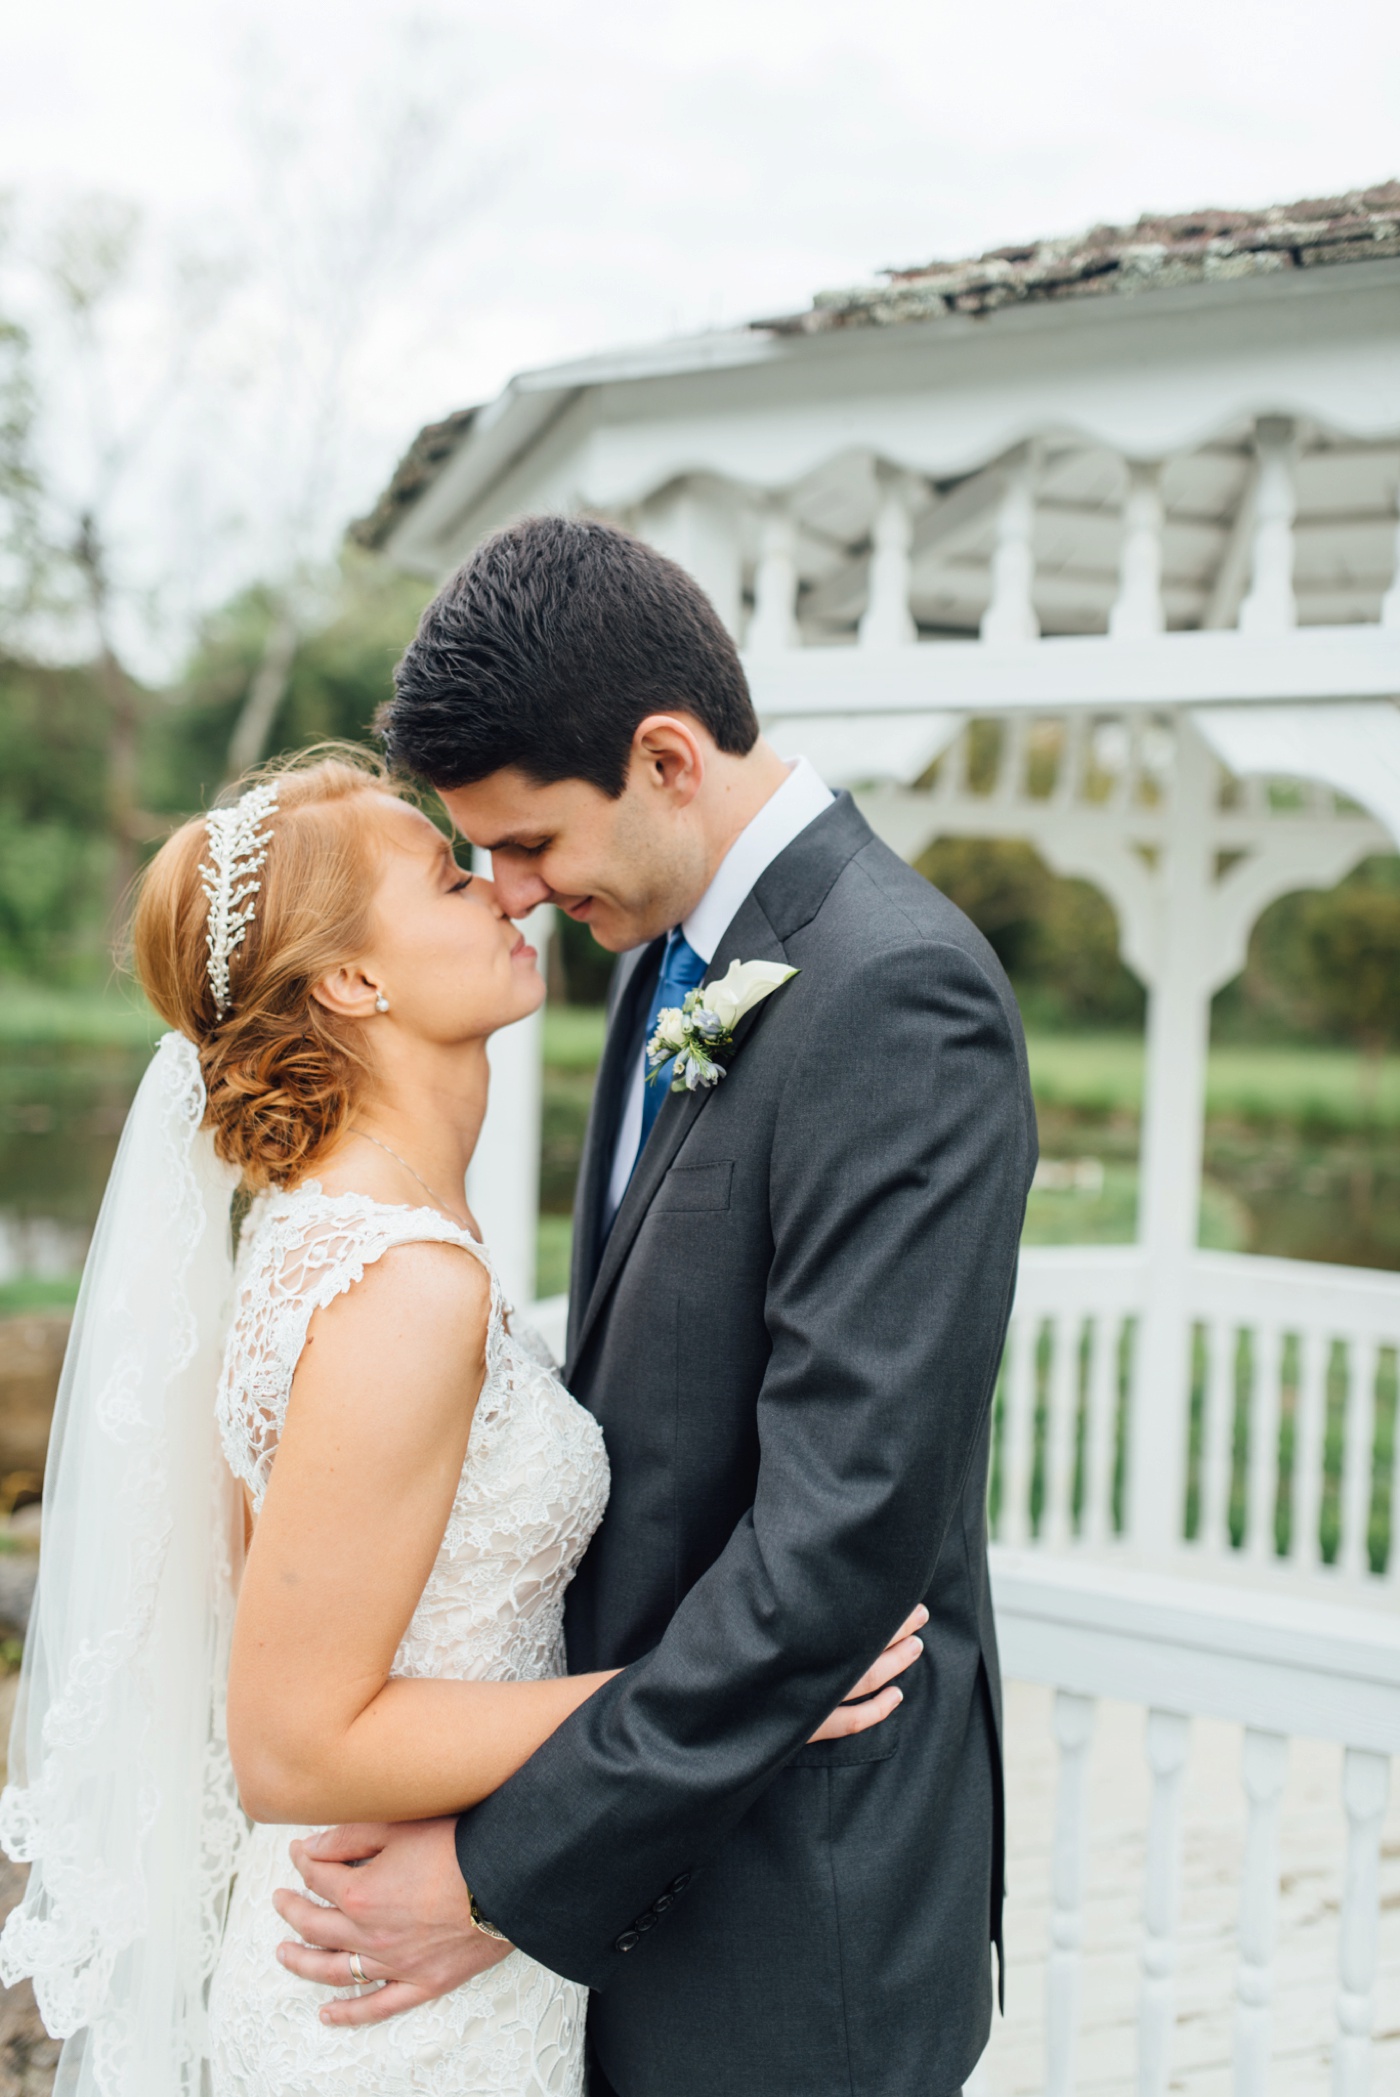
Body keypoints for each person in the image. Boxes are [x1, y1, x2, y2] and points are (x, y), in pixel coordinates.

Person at [0, 749, 919, 2097]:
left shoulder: (345, 1234)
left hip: (408, 1956)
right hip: (387, 2017)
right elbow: (290, 1741)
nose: (504, 892)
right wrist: (739, 1693)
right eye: (447, 875)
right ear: (354, 981)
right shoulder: (402, 1287)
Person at [273, 519, 1037, 2097]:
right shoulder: (664, 960)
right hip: (634, 1893)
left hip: (786, 1933)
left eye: (534, 844)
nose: (515, 895)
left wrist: (499, 1869)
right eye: (484, 855)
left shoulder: (901, 996)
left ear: (668, 757)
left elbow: (834, 1553)